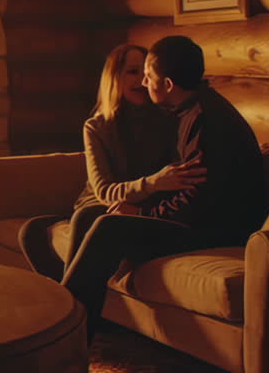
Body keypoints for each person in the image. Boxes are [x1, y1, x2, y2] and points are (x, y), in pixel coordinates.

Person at [61, 35, 265, 340]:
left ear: (167, 84)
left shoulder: (204, 121)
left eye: (148, 75)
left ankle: (64, 334)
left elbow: (198, 200)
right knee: (91, 217)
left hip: (216, 229)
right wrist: (141, 207)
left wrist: (145, 212)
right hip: (200, 218)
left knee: (110, 228)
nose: (144, 82)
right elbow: (186, 188)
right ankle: (72, 325)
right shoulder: (188, 111)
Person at [18, 44, 203, 281]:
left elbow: (175, 184)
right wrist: (154, 182)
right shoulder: (97, 127)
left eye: (146, 74)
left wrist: (151, 192)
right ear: (114, 78)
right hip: (101, 200)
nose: (142, 81)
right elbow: (104, 190)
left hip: (125, 210)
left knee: (87, 218)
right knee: (31, 231)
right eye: (132, 72)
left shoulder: (170, 120)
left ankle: (72, 307)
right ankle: (64, 303)